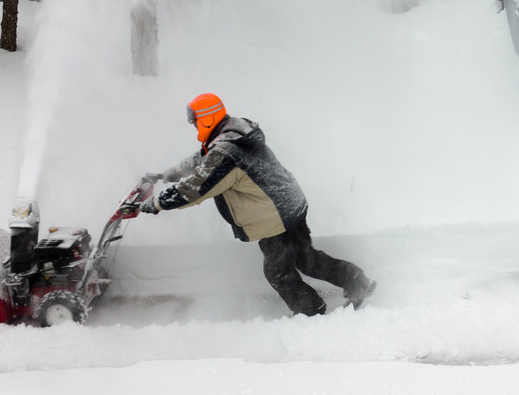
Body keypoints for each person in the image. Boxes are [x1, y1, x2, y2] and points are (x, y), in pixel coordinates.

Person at [140, 93, 375, 316]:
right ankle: (358, 283)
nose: (193, 126)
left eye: (195, 121)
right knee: (306, 259)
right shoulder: (232, 132)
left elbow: (197, 188)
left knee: (278, 271)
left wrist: (157, 203)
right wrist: (167, 174)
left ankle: (311, 313)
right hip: (287, 204)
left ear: (208, 118)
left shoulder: (227, 150)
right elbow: (201, 160)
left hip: (275, 215)